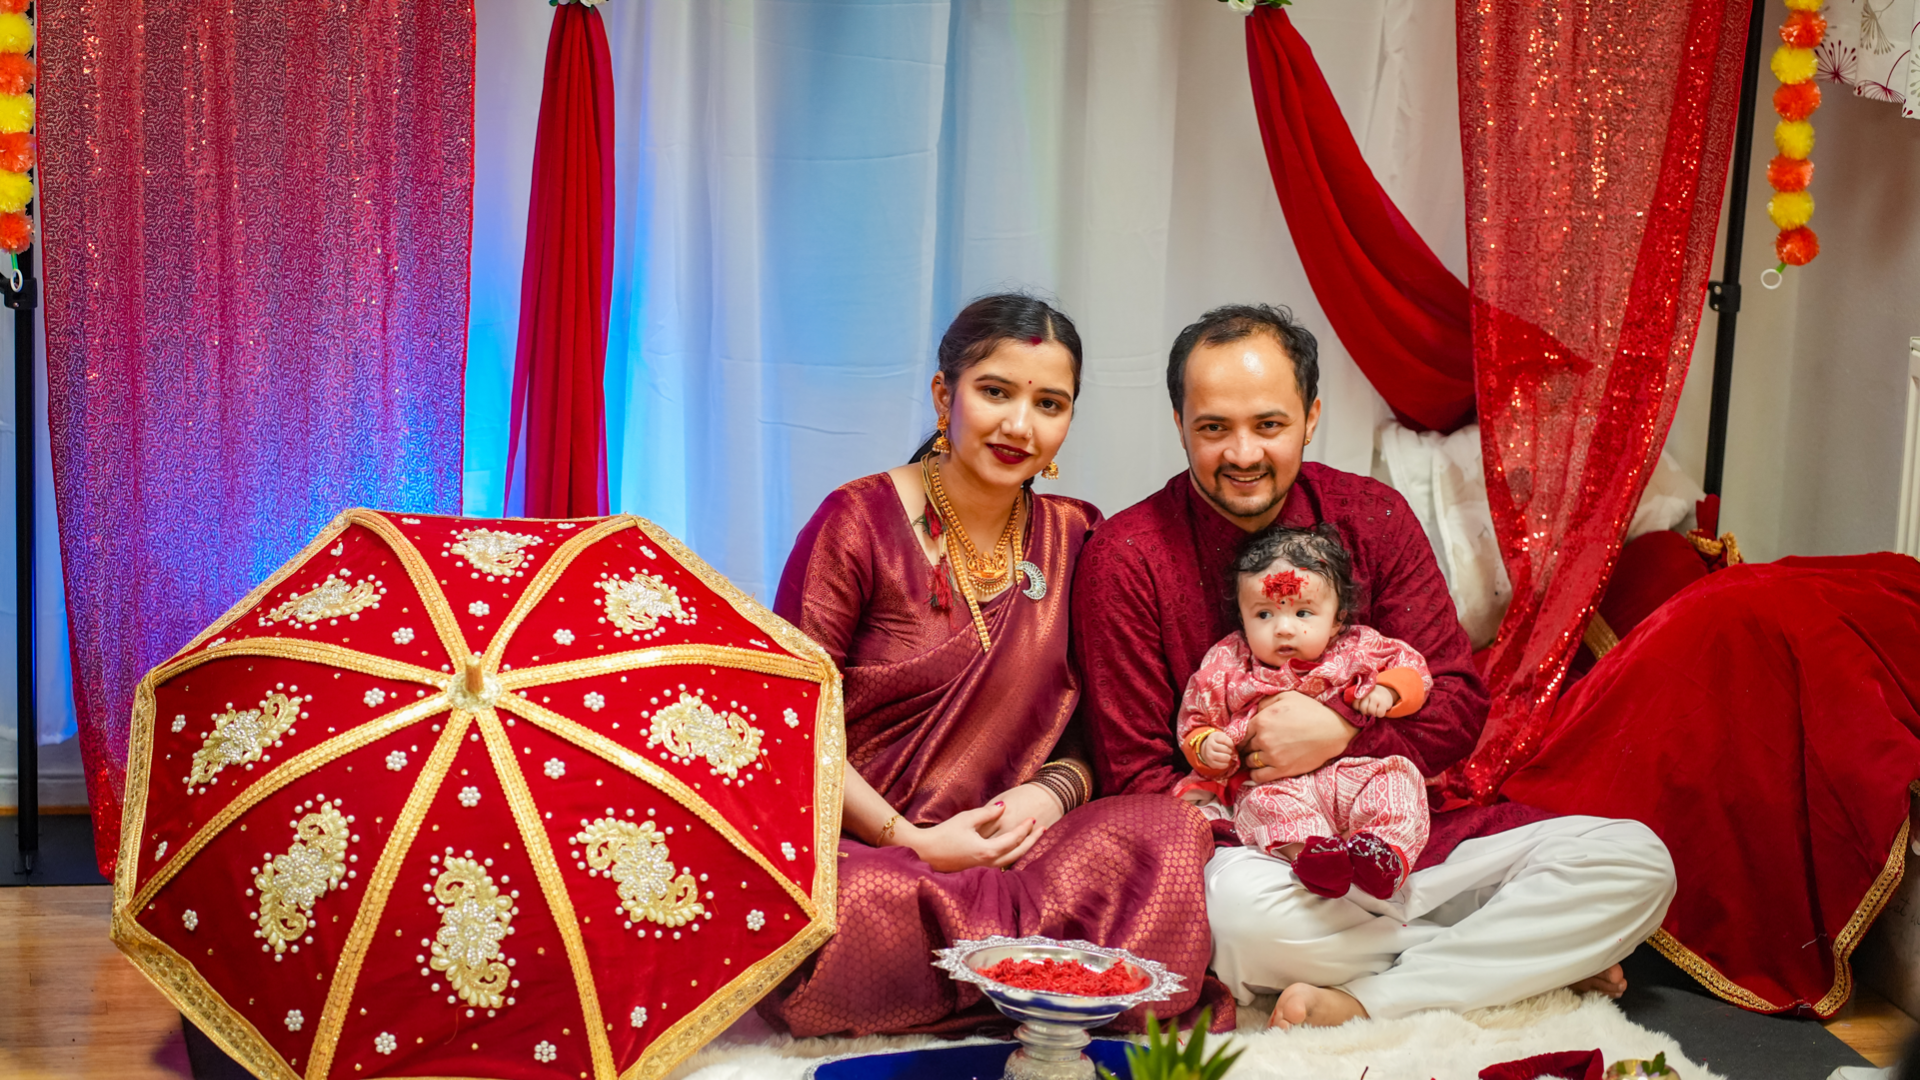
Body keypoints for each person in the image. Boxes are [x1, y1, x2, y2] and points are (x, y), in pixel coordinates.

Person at [1072, 303, 1676, 1030]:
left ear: (1311, 416)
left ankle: (1368, 995)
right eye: (1213, 428)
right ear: (1178, 424)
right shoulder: (1126, 559)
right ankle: (1510, 954)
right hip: (1260, 859)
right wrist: (1249, 783)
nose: (1243, 453)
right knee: (1236, 923)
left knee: (1636, 862)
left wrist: (1341, 732)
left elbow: (1456, 703)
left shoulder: (1372, 516)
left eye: (1269, 424)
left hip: (1401, 836)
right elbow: (1137, 778)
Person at [759, 294, 1225, 1038]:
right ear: (945, 395)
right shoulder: (856, 523)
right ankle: (1042, 971)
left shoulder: (1078, 535)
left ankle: (986, 969)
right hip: (870, 843)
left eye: (1049, 404)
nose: (1020, 425)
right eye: (996, 392)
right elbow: (790, 723)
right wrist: (912, 842)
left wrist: (1051, 795)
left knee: (1168, 829)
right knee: (843, 903)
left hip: (1022, 844)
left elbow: (1102, 727)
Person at [1174, 524, 1432, 901]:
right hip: (1275, 785)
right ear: (1242, 619)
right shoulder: (1228, 662)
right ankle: (1314, 858)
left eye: (1304, 612)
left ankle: (1383, 855)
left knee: (1398, 776)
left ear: (1337, 618)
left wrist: (1388, 690)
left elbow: (1414, 670)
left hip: (1350, 773)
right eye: (1264, 614)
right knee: (1260, 805)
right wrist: (1206, 745)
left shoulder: (1358, 646)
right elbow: (1197, 717)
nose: (1283, 629)